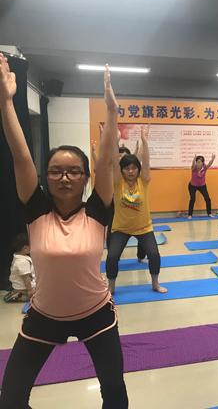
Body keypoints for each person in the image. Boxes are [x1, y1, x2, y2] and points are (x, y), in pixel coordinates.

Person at [0, 58, 128, 407]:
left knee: (114, 393)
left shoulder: (97, 211)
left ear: (86, 178)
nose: (65, 177)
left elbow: (106, 162)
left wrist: (112, 112)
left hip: (97, 314)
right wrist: (6, 101)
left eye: (74, 171)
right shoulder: (37, 210)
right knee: (11, 397)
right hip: (44, 315)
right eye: (56, 171)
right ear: (46, 177)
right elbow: (21, 156)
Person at [105, 125, 167, 295]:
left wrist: (145, 141)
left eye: (134, 168)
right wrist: (115, 143)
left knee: (154, 254)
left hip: (143, 228)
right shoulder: (118, 182)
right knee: (112, 257)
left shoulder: (143, 181)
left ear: (138, 170)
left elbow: (146, 162)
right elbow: (114, 162)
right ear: (122, 170)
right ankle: (111, 287)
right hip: (121, 228)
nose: (131, 171)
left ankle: (155, 283)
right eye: (127, 168)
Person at [4, 233, 35, 303]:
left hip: (21, 286)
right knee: (40, 295)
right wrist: (30, 290)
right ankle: (20, 296)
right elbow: (26, 278)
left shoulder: (18, 256)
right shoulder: (22, 261)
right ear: (25, 248)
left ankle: (18, 293)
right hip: (24, 288)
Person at [187, 153, 215, 218]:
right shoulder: (194, 168)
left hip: (202, 186)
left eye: (199, 162)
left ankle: (209, 213)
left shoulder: (204, 167)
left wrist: (212, 159)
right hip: (192, 186)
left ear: (202, 163)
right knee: (192, 199)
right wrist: (194, 159)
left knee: (207, 199)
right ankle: (190, 215)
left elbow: (209, 164)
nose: (198, 163)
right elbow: (192, 165)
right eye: (197, 162)